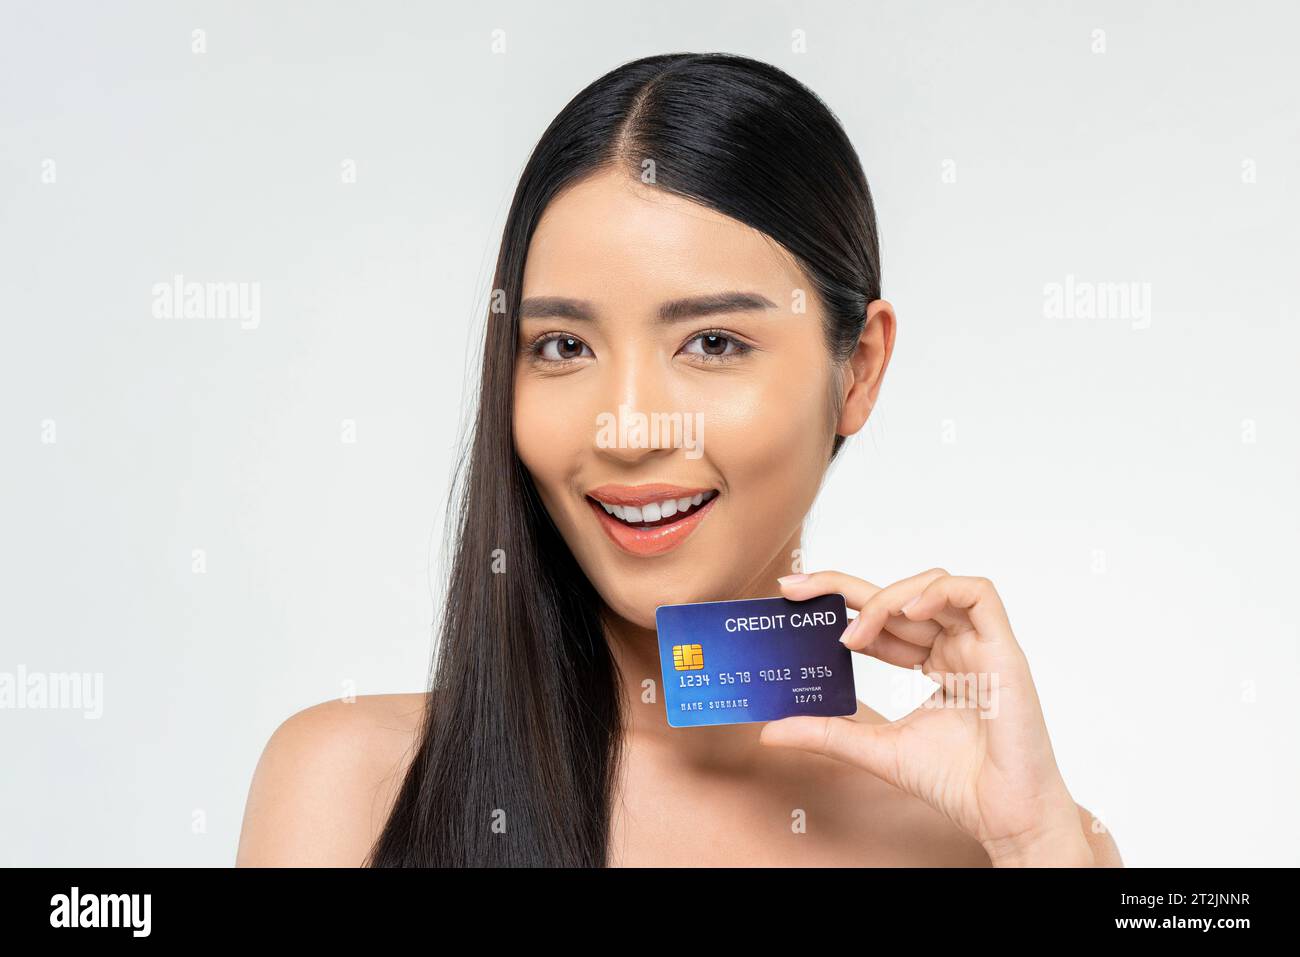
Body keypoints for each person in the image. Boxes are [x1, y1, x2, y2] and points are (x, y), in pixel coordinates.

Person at [236, 52, 1122, 868]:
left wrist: (1034, 840)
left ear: (858, 369)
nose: (626, 431)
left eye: (712, 341)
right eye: (562, 347)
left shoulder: (994, 835)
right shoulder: (349, 785)